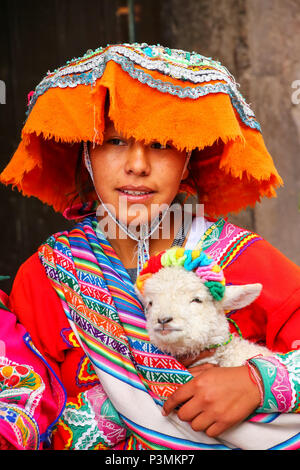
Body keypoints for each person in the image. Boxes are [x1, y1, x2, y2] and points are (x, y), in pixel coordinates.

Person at [0, 43, 300, 450]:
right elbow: (24, 406)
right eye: (115, 141)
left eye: (160, 144)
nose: (137, 165)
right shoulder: (46, 276)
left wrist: (257, 384)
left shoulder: (244, 259)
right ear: (85, 154)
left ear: (188, 159)